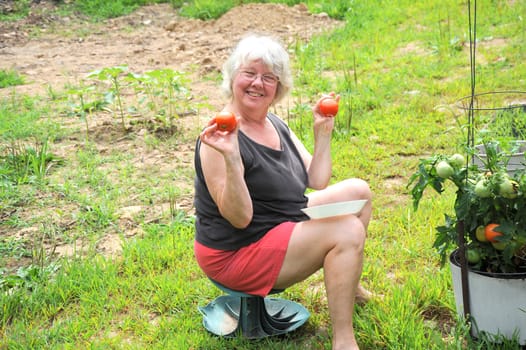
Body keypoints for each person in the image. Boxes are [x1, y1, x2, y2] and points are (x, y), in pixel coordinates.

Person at [193, 33, 373, 350]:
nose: (257, 83)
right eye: (249, 73)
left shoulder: (274, 123)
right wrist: (233, 159)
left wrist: (322, 134)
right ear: (233, 76)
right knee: (347, 230)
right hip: (237, 249)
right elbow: (239, 218)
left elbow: (316, 179)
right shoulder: (219, 136)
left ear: (278, 88)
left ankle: (351, 287)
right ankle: (344, 340)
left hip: (277, 222)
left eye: (269, 77)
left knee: (360, 193)